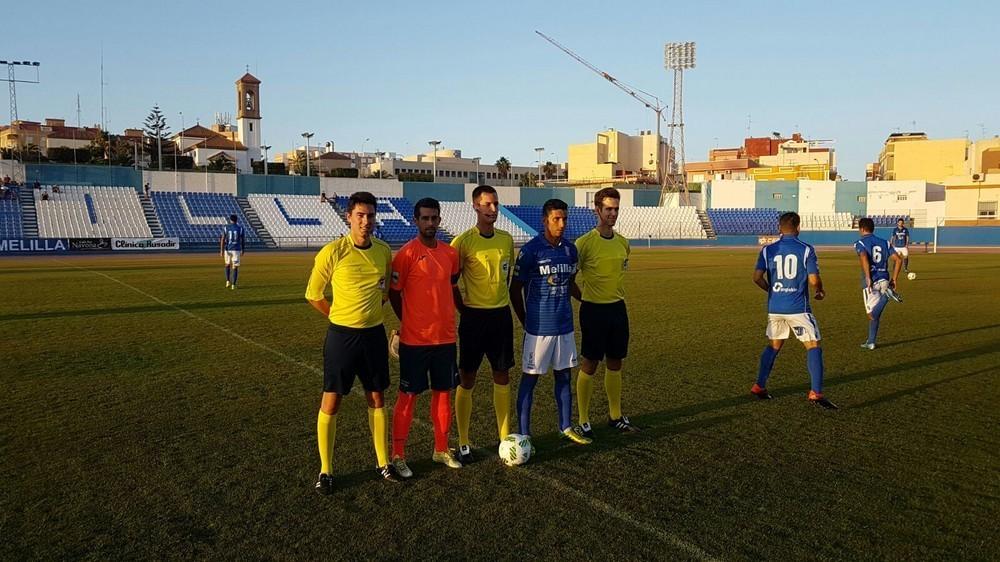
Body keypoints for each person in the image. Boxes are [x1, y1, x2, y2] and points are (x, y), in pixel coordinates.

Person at [305, 191, 397, 495]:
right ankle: (326, 470)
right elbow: (313, 294)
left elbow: (384, 291)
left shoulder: (383, 251)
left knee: (377, 398)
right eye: (360, 215)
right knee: (332, 400)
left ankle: (383, 463)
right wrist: (338, 316)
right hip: (341, 337)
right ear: (349, 217)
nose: (366, 221)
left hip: (373, 335)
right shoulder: (333, 251)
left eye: (370, 215)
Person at [387, 197, 463, 477]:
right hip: (415, 341)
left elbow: (452, 285)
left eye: (434, 218)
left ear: (440, 220)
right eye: (425, 218)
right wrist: (406, 322)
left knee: (444, 393)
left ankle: (441, 449)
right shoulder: (406, 255)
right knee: (408, 396)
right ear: (416, 221)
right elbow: (394, 292)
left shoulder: (450, 254)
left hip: (445, 338)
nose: (430, 223)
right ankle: (398, 455)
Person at [510, 198, 592, 456]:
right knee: (530, 379)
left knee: (564, 376)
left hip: (564, 326)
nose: (561, 223)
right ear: (544, 221)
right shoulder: (531, 251)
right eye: (556, 219)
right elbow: (515, 289)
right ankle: (524, 435)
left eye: (564, 219)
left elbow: (569, 283)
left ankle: (566, 426)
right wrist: (525, 321)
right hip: (539, 328)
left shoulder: (570, 250)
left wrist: (586, 300)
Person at [449, 185, 516, 464]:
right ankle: (464, 442)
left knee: (502, 375)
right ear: (475, 206)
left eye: (496, 204)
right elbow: (451, 282)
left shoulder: (506, 239)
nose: (492, 209)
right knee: (468, 379)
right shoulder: (463, 242)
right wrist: (462, 308)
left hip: (501, 316)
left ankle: (504, 439)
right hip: (474, 319)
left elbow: (508, 277)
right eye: (487, 204)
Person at [751, 212, 836, 409]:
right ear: (798, 227)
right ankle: (816, 392)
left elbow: (756, 278)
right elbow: (814, 279)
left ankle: (759, 386)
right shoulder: (806, 249)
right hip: (798, 307)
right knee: (813, 345)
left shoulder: (767, 250)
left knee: (774, 345)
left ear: (779, 228)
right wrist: (820, 290)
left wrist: (772, 291)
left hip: (775, 307)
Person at [572, 187, 639, 438]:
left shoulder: (623, 243)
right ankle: (584, 420)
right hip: (593, 310)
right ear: (597, 210)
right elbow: (570, 278)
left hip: (617, 308)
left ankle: (615, 416)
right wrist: (585, 299)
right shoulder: (584, 243)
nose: (613, 213)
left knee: (615, 362)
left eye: (616, 209)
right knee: (590, 363)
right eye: (608, 209)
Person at [855, 217, 903, 350]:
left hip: (871, 281)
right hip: (885, 279)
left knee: (871, 314)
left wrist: (868, 277)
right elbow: (898, 260)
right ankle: (871, 342)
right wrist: (894, 279)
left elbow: (864, 257)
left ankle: (887, 296)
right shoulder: (885, 243)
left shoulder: (860, 242)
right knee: (876, 314)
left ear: (862, 229)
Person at [219, 215, 245, 289]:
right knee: (235, 267)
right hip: (236, 249)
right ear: (237, 220)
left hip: (228, 249)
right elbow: (242, 240)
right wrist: (243, 249)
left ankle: (227, 281)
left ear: (230, 220)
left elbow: (223, 239)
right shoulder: (241, 228)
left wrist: (221, 250)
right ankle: (233, 284)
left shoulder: (226, 227)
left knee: (227, 264)